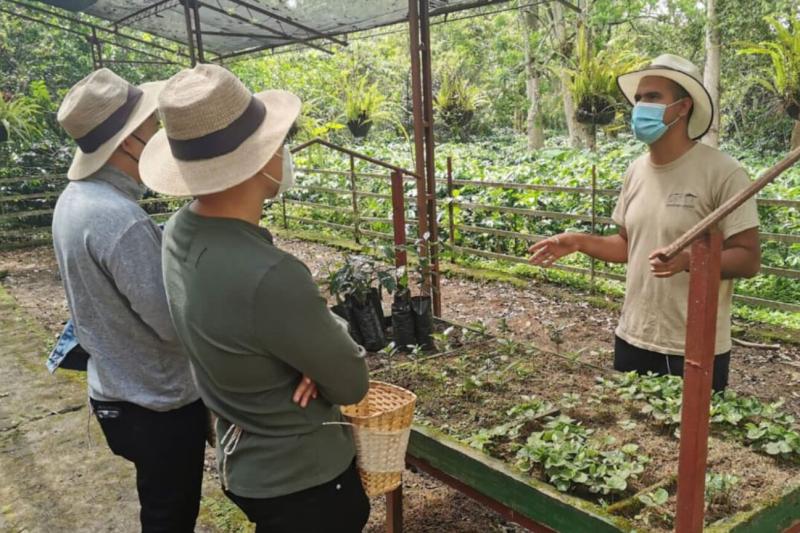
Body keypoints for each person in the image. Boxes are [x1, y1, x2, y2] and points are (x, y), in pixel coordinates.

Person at [139, 63, 371, 533]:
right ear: (261, 161)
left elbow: (242, 329)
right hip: (304, 481)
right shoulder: (269, 275)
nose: (284, 151)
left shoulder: (179, 232)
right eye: (278, 141)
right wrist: (326, 341)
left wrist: (307, 348)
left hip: (242, 460)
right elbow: (350, 383)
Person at [529, 54, 760, 392]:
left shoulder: (723, 173)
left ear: (682, 108)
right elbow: (627, 245)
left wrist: (688, 261)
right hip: (632, 337)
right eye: (638, 98)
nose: (640, 106)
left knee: (688, 443)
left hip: (693, 347)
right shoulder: (636, 170)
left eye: (652, 97)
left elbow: (748, 258)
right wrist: (576, 241)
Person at [52, 68, 206, 531]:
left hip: (115, 390)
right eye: (150, 129)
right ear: (126, 144)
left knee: (158, 504)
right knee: (171, 516)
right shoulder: (120, 220)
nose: (158, 137)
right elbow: (171, 321)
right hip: (158, 405)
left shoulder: (74, 200)